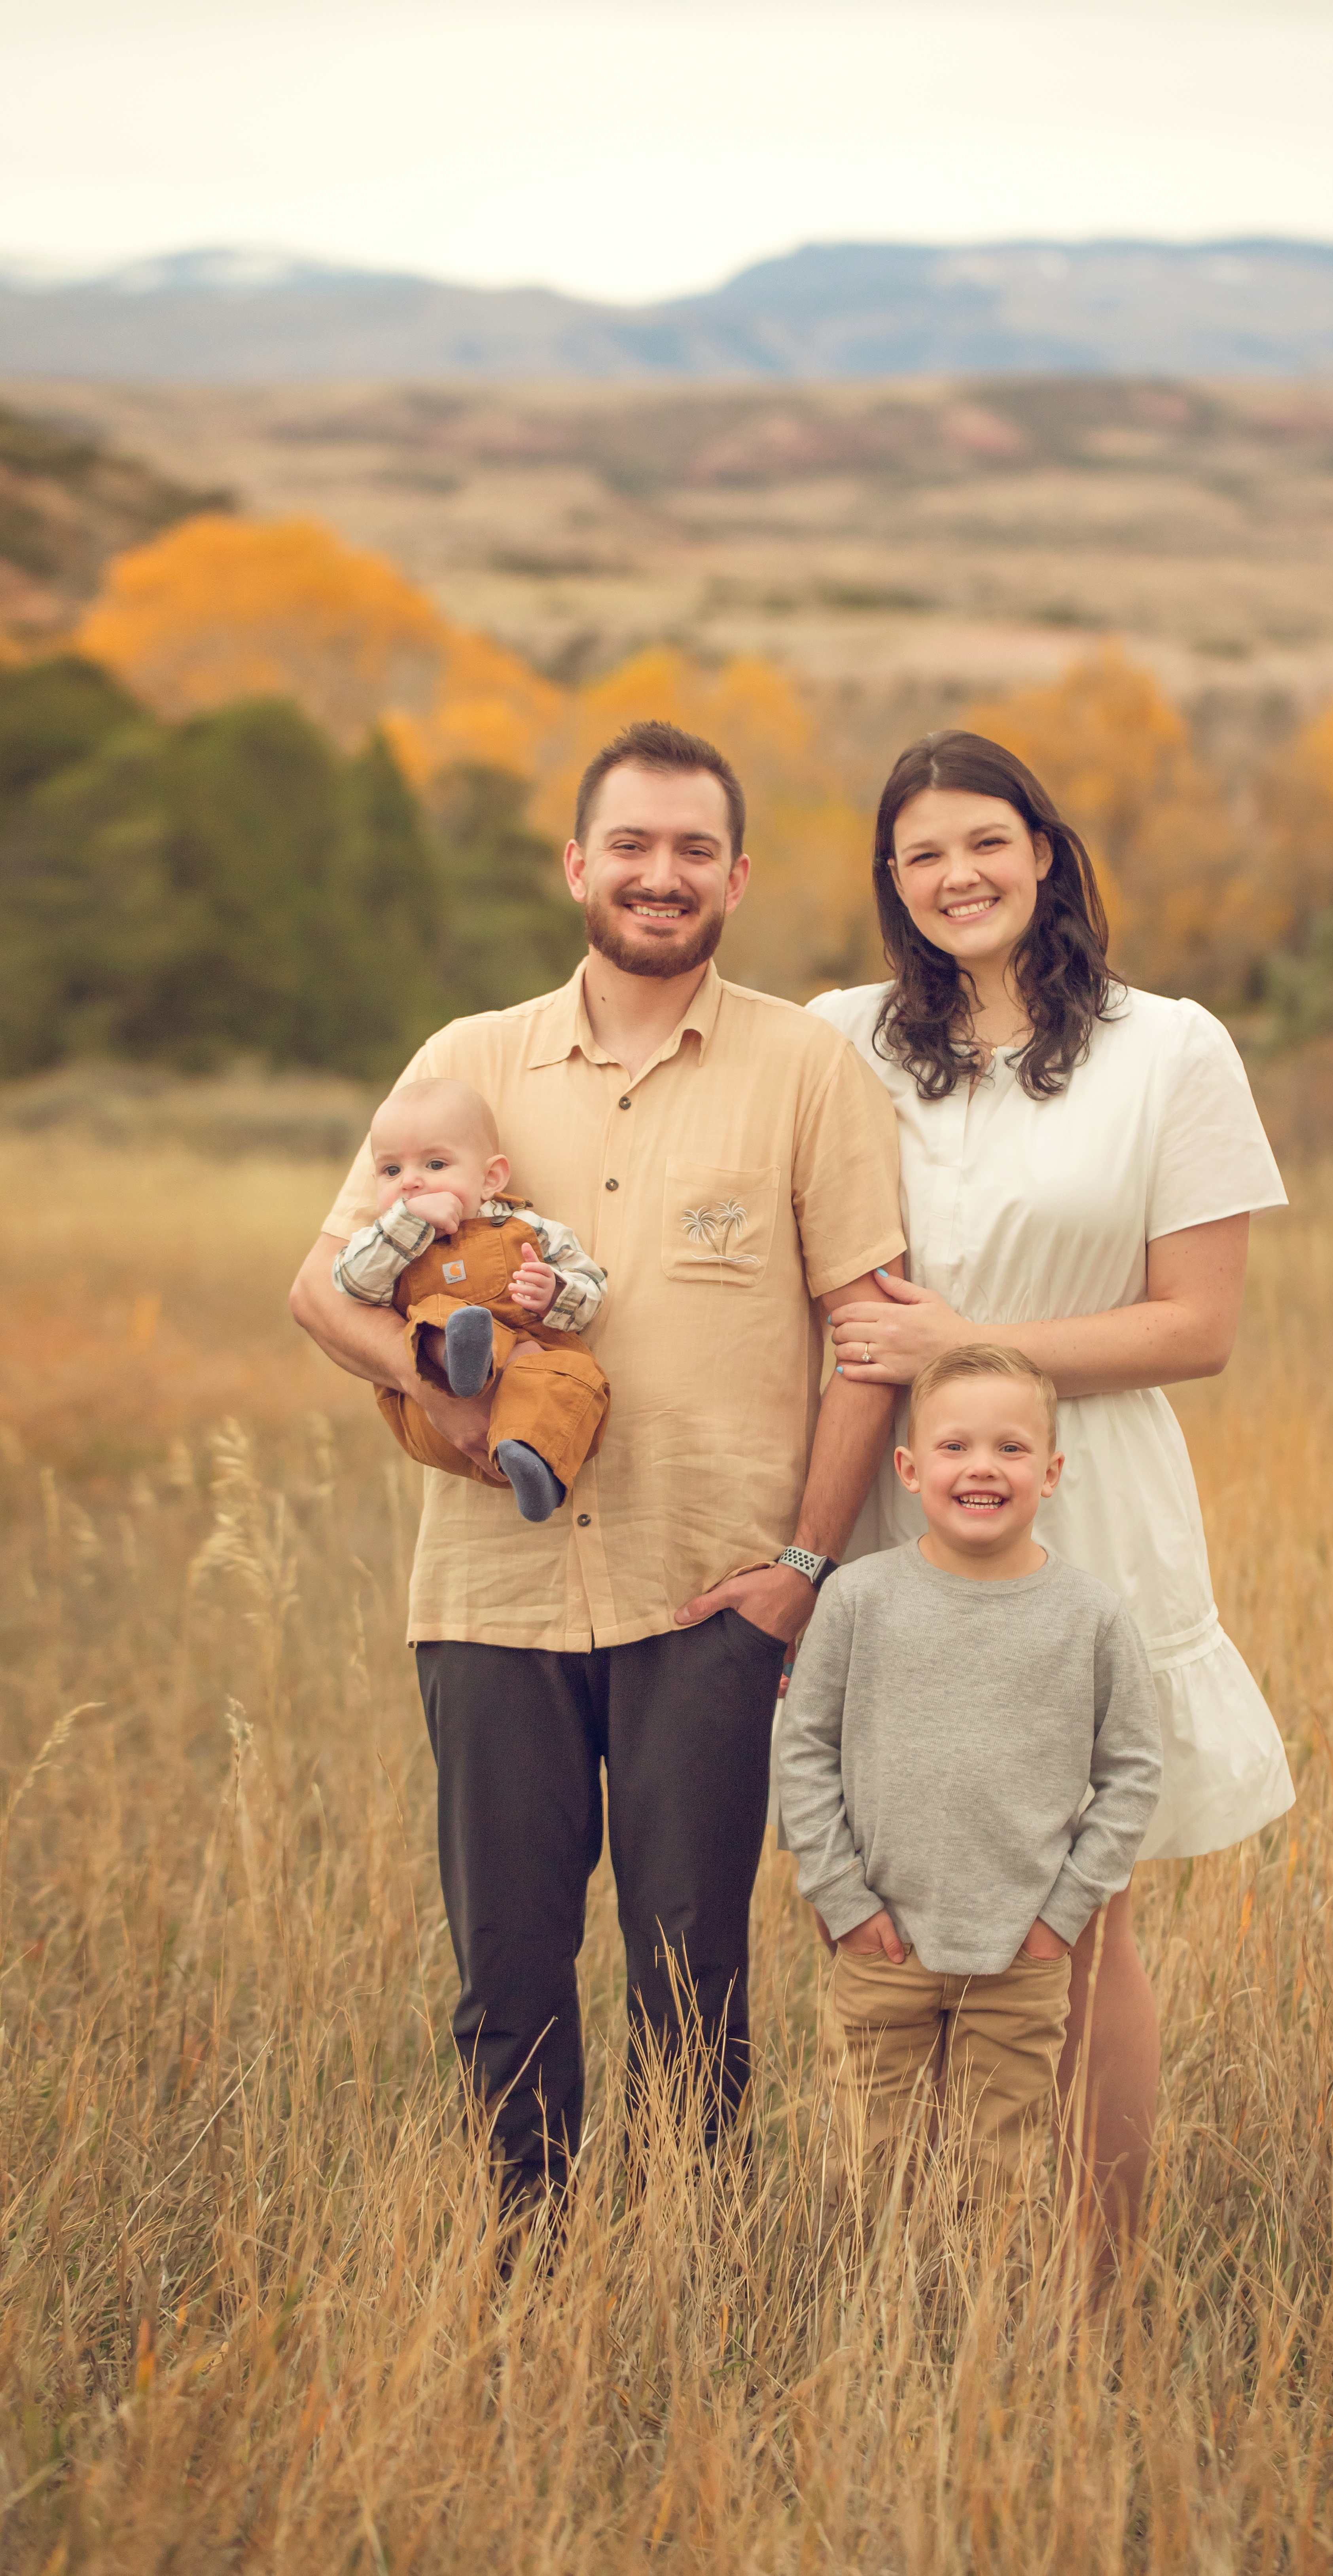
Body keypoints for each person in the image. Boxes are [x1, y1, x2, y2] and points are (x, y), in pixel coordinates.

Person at [290, 718, 905, 2208]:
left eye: (693, 847)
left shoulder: (806, 1069)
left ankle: (690, 2277)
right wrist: (434, 1404)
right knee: (507, 1966)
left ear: (737, 875)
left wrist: (802, 1569)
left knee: (692, 1967)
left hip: (706, 1593)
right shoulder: (466, 1063)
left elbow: (868, 1340)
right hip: (492, 1594)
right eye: (629, 842)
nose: (659, 872)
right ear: (577, 862)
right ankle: (532, 2278)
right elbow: (324, 1288)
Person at [807, 730, 1293, 2234]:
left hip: (1087, 1509)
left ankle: (1090, 2291)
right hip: (896, 1523)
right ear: (892, 884)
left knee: (1070, 1919)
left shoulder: (1170, 1046)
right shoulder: (841, 1037)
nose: (957, 874)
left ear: (1041, 849)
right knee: (897, 1920)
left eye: (983, 841)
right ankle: (927, 2272)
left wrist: (966, 1339)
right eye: (920, 854)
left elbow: (1193, 1326)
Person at [777, 1344, 1161, 2207]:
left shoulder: (1090, 1617)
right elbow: (803, 1752)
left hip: (1019, 1956)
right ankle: (872, 2328)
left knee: (1002, 2175)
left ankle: (987, 2331)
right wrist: (841, 1897)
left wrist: (1062, 1916)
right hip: (881, 1943)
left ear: (1052, 1472)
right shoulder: (859, 1601)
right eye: (954, 1448)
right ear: (909, 1469)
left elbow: (1134, 1772)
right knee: (869, 2168)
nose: (981, 1467)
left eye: (1010, 1449)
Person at [332, 1074, 610, 1522]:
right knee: (442, 1314)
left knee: (567, 1370)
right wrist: (408, 1223)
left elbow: (593, 1288)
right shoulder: (385, 1240)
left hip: (519, 1384)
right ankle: (461, 1355)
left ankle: (531, 1461)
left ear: (490, 1178)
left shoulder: (531, 1230)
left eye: (436, 1165)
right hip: (437, 1403)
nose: (411, 1184)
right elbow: (352, 1283)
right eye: (391, 1171)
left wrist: (555, 1291)